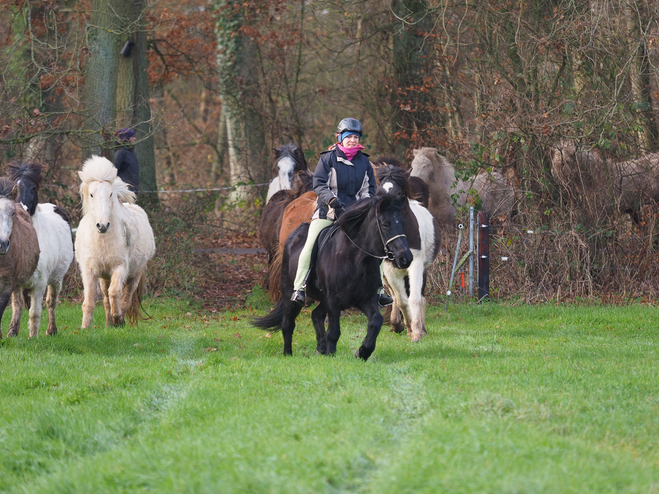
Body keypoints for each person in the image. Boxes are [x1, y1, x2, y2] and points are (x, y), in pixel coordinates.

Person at [290, 118, 393, 307]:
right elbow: (319, 184)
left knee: (376, 246)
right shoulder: (327, 159)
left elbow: (368, 190)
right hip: (328, 213)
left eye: (355, 137)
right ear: (340, 138)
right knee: (310, 244)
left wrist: (362, 208)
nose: (352, 140)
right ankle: (300, 288)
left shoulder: (364, 162)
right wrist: (333, 201)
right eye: (349, 136)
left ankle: (379, 291)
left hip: (354, 216)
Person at [113, 128, 140, 194]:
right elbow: (115, 170)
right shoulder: (121, 152)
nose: (135, 139)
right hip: (124, 189)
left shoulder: (131, 151)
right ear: (127, 138)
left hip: (133, 188)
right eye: (132, 137)